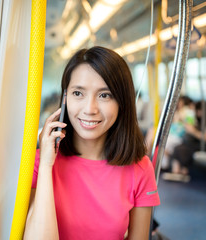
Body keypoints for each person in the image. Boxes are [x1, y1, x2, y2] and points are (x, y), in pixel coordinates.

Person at [23, 47, 160, 240]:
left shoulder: (140, 168)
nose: (90, 109)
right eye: (78, 93)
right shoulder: (38, 164)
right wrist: (46, 165)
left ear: (122, 102)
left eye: (104, 95)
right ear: (65, 99)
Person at [162, 101, 205, 182]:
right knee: (178, 147)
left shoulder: (204, 122)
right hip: (191, 143)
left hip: (200, 145)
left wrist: (193, 131)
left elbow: (203, 137)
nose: (198, 113)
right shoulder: (196, 119)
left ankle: (182, 171)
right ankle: (177, 171)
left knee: (182, 149)